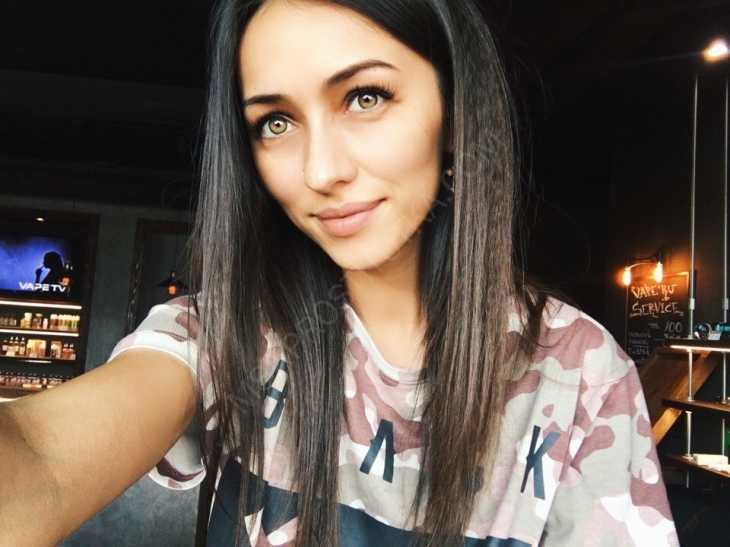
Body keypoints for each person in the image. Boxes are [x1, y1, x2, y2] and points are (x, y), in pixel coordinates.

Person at [0, 1, 679, 546]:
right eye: (275, 122)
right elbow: (43, 460)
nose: (320, 171)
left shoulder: (581, 374)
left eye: (365, 96)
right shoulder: (225, 331)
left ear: (453, 115)